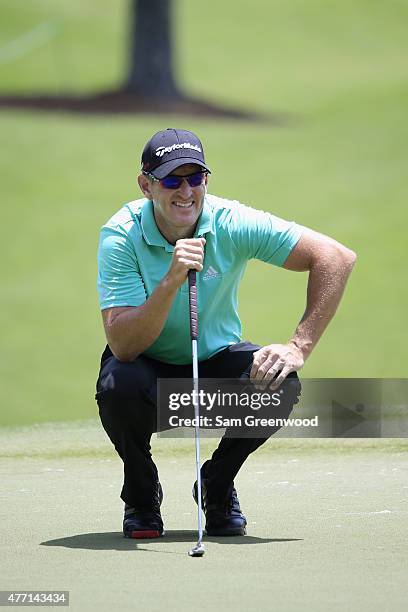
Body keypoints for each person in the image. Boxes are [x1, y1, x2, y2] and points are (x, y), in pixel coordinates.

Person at [95, 127, 356, 539]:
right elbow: (124, 345)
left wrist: (298, 345)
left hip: (214, 362)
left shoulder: (230, 221)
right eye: (170, 180)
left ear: (206, 181)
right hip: (144, 367)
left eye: (195, 178)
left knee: (280, 382)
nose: (185, 191)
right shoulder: (120, 235)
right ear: (146, 185)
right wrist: (171, 281)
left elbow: (335, 257)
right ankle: (142, 498)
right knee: (118, 384)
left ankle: (215, 487)